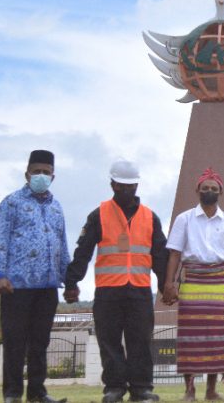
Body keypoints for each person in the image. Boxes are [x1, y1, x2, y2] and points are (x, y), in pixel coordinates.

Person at [64, 159, 169, 403]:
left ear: (137, 185)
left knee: (140, 341)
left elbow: (160, 255)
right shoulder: (98, 215)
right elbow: (83, 251)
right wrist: (72, 282)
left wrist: (166, 285)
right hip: (108, 290)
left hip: (139, 290)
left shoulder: (150, 217)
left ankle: (141, 389)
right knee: (109, 341)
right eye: (121, 185)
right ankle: (114, 388)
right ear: (112, 184)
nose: (126, 190)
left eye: (131, 186)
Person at [0, 149, 69, 403]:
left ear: (53, 177)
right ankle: (12, 394)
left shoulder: (56, 208)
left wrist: (69, 280)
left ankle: (37, 392)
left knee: (40, 342)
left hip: (47, 286)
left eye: (46, 172)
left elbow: (62, 245)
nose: (41, 176)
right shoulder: (11, 203)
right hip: (16, 286)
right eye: (37, 172)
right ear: (27, 174)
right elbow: (0, 240)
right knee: (14, 341)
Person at [163, 167, 224, 401]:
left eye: (214, 188)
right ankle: (189, 390)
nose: (209, 191)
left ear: (221, 192)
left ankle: (211, 390)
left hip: (218, 285)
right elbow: (174, 254)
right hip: (192, 282)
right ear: (197, 190)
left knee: (217, 338)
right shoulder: (184, 219)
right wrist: (169, 283)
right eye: (205, 188)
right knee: (190, 338)